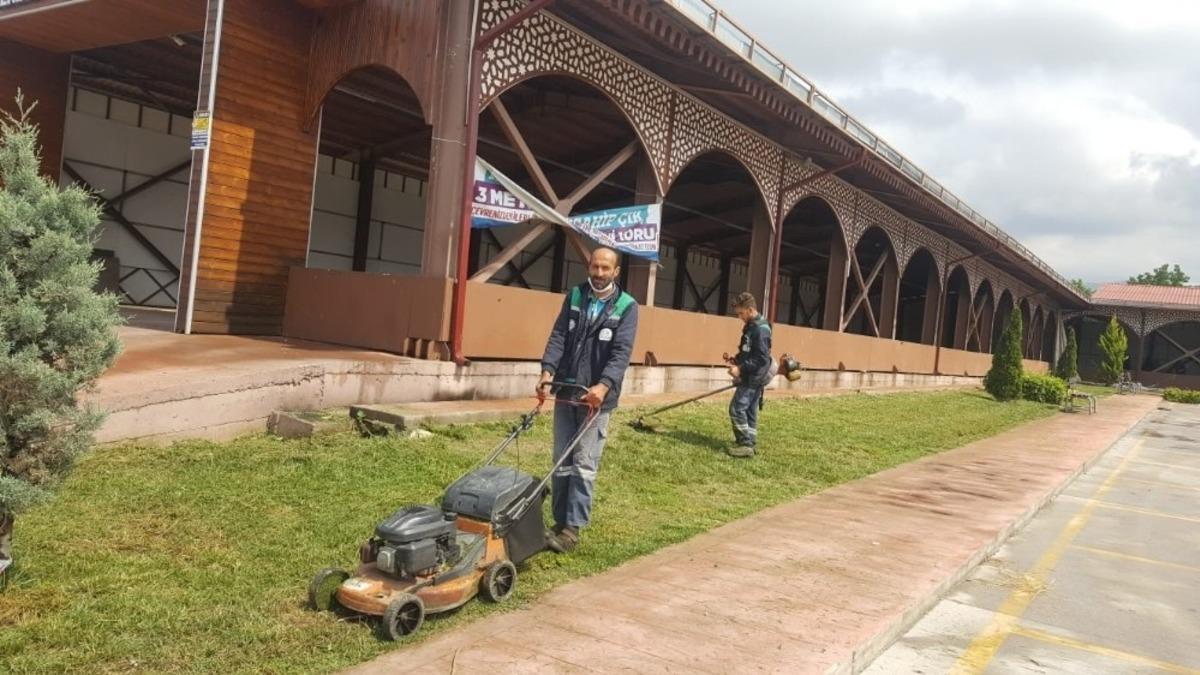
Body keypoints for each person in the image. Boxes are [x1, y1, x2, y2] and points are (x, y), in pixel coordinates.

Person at [536, 246, 638, 553]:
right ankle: (558, 521)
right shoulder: (576, 296)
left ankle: (572, 529)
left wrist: (604, 386)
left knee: (583, 462)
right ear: (589, 267)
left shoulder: (626, 306)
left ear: (616, 272)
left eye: (606, 268)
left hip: (596, 398)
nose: (599, 273)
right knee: (561, 459)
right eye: (595, 266)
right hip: (567, 389)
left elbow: (621, 353)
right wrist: (547, 371)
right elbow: (558, 336)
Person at [726, 291, 772, 458]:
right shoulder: (751, 326)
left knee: (736, 409)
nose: (740, 317)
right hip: (752, 375)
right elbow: (747, 349)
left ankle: (745, 444)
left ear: (751, 310)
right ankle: (750, 441)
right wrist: (737, 360)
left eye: (741, 313)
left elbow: (761, 358)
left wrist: (740, 369)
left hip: (753, 378)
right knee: (750, 411)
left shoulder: (761, 330)